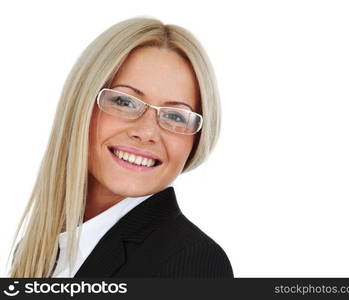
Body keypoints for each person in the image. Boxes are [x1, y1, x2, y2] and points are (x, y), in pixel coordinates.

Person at [8, 16, 233, 278]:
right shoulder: (39, 251)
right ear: (81, 105)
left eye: (175, 116)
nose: (147, 132)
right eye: (125, 102)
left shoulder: (193, 264)